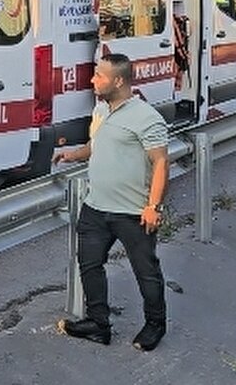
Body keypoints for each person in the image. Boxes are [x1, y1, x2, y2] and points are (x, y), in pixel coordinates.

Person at [55, 53, 170, 352]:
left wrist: (153, 206)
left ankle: (155, 325)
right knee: (89, 264)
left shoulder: (146, 117)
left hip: (132, 212)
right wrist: (74, 154)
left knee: (146, 271)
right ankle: (98, 324)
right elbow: (98, 145)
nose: (92, 80)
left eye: (99, 76)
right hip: (96, 207)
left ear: (118, 81)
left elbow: (160, 163)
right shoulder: (103, 111)